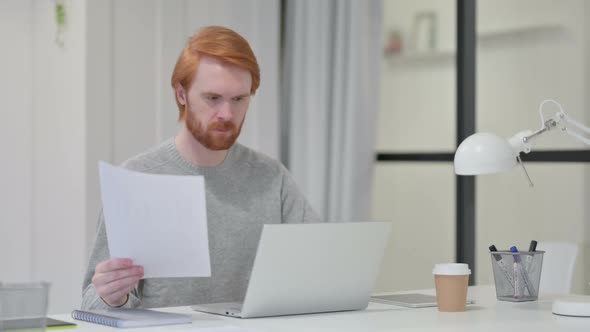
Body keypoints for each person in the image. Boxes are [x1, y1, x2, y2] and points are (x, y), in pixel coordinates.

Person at [81, 26, 320, 309]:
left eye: (239, 99)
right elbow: (91, 302)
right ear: (181, 94)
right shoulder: (136, 178)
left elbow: (319, 266)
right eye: (212, 98)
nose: (227, 114)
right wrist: (112, 295)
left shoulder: (272, 178)